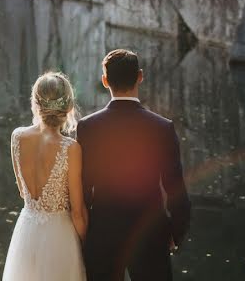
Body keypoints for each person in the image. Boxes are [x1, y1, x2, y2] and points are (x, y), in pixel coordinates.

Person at [77, 49, 191, 281]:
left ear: (105, 80)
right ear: (140, 76)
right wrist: (174, 232)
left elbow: (84, 189)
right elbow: (176, 189)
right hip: (151, 233)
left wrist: (87, 235)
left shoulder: (88, 127)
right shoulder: (162, 127)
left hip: (103, 234)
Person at [2, 71, 88, 281]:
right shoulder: (71, 148)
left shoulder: (17, 136)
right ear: (68, 107)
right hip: (60, 238)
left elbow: (23, 192)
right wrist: (87, 247)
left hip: (26, 232)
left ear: (36, 103)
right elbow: (77, 212)